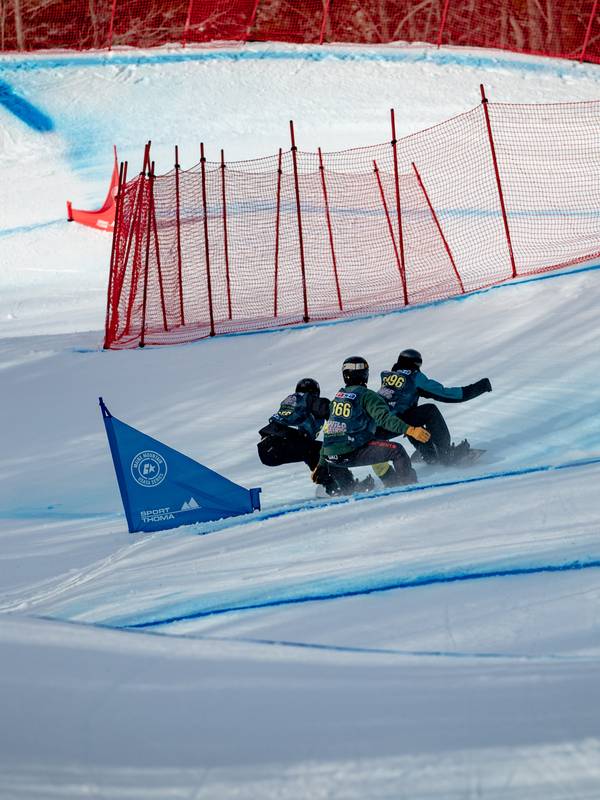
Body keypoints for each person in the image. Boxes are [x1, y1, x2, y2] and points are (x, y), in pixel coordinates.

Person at [312, 356, 431, 495]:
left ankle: (389, 484)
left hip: (331, 458)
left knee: (374, 443)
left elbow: (329, 431)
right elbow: (384, 419)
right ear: (365, 375)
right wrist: (410, 429)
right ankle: (412, 491)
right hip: (350, 453)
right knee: (397, 451)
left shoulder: (338, 398)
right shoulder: (367, 395)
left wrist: (321, 464)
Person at [376, 348, 492, 465]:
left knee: (413, 415)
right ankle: (446, 454)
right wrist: (481, 387)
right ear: (415, 364)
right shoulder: (415, 377)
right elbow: (446, 394)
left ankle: (429, 453)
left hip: (378, 428)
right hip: (394, 423)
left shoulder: (387, 376)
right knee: (430, 410)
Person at [257, 378, 330, 472]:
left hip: (266, 449)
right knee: (326, 451)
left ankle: (325, 480)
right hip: (281, 442)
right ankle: (343, 484)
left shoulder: (292, 401)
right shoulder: (312, 400)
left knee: (311, 451)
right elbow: (333, 414)